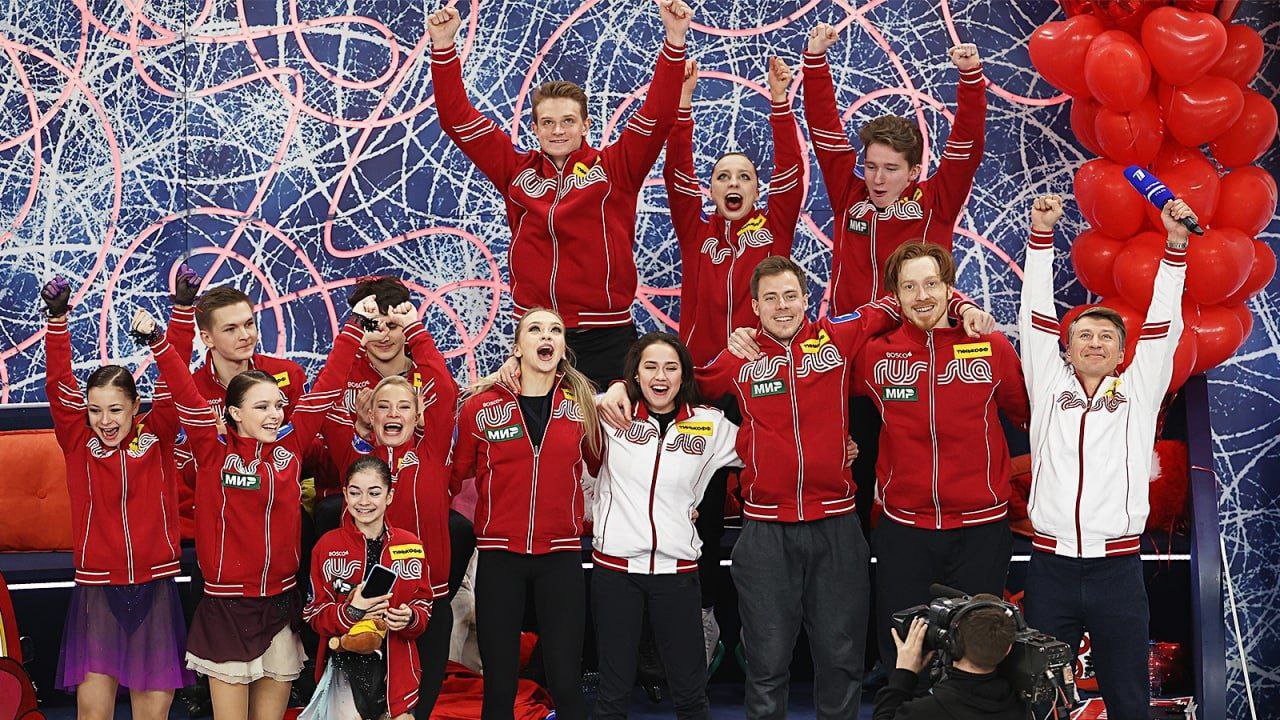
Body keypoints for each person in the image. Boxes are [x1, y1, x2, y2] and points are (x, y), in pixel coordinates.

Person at [598, 256, 991, 719]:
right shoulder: (740, 356)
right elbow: (679, 383)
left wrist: (962, 305)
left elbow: (906, 298)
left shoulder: (838, 335)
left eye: (790, 296)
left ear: (807, 298)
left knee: (841, 660)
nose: (781, 306)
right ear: (755, 307)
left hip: (837, 526)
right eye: (770, 298)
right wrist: (620, 386)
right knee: (765, 664)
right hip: (766, 532)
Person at [427, 0, 691, 386]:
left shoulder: (617, 167)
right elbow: (457, 119)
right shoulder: (515, 170)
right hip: (540, 334)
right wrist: (443, 47)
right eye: (547, 122)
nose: (557, 131)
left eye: (568, 121)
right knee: (539, 427)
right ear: (534, 128)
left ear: (585, 125)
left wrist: (674, 39)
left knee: (613, 426)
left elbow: (656, 118)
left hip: (607, 336)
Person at [136, 297, 376, 720]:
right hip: (227, 608)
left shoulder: (290, 447)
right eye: (262, 407)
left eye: (279, 406)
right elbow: (183, 391)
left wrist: (355, 325)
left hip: (280, 606)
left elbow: (326, 388)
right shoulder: (212, 451)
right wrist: (159, 340)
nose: (275, 415)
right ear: (234, 412)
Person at [802, 27, 987, 559]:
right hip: (854, 362)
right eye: (871, 166)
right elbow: (824, 130)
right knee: (852, 476)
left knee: (919, 471)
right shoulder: (850, 196)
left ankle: (924, 571)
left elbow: (967, 146)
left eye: (890, 169)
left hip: (917, 361)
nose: (877, 179)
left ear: (914, 171)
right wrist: (815, 61)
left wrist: (970, 79)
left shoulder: (936, 201)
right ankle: (854, 582)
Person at [1018, 194, 1192, 720]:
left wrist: (1176, 246)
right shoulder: (1048, 384)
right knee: (1040, 701)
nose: (1094, 343)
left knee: (1128, 699)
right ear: (1066, 348)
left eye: (1106, 337)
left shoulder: (1137, 393)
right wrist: (1041, 236)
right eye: (1084, 335)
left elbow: (1164, 326)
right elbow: (1034, 316)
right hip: (1050, 568)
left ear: (1121, 352)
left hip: (1117, 571)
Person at [853, 242, 1029, 668]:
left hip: (981, 529)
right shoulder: (874, 354)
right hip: (904, 530)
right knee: (904, 657)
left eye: (932, 284)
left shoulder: (991, 346)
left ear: (951, 289)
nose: (922, 296)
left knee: (976, 659)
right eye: (909, 286)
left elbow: (1026, 415)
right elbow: (817, 390)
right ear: (895, 296)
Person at [41, 278, 192, 720]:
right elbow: (58, 383)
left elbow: (176, 380)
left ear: (135, 406)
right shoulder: (78, 442)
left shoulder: (158, 437)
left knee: (152, 714)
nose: (105, 421)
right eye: (95, 410)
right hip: (97, 591)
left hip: (155, 587)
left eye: (115, 409)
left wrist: (181, 317)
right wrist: (57, 320)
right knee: (93, 714)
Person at [450, 308, 601, 720]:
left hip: (561, 557)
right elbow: (454, 475)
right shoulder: (480, 407)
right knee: (499, 686)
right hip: (499, 556)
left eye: (555, 330)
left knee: (566, 682)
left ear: (563, 347)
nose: (546, 336)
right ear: (517, 347)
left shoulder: (583, 407)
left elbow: (604, 464)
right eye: (535, 329)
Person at [320, 301, 469, 717]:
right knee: (363, 710)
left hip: (426, 605)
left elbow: (444, 389)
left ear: (419, 414)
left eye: (404, 406)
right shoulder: (354, 457)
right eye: (383, 406)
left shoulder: (433, 453)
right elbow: (325, 396)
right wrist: (354, 330)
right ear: (369, 413)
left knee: (416, 711)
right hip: (364, 607)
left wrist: (415, 330)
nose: (393, 414)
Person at [588, 332, 743, 719]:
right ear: (635, 375)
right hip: (616, 572)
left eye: (671, 367)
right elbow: (550, 398)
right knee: (612, 695)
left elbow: (768, 449)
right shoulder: (609, 415)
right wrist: (611, 391)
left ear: (684, 376)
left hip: (677, 573)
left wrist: (838, 449)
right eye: (651, 367)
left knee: (691, 694)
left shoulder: (709, 425)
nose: (661, 376)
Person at [304, 457, 434, 720]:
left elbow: (424, 605)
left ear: (389, 496)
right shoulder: (326, 546)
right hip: (343, 671)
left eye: (374, 493)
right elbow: (312, 614)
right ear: (345, 494)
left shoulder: (410, 544)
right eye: (355, 492)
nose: (364, 501)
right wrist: (352, 611)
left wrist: (409, 617)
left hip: (397, 676)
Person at [871, 603, 1025, 720]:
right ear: (1008, 649)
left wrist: (903, 675)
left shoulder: (924, 711)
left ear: (952, 644)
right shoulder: (1020, 706)